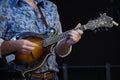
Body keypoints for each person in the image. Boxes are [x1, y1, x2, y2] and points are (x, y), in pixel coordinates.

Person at [0, 0, 83, 80]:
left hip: (52, 76)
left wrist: (67, 43)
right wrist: (13, 45)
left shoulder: (50, 7)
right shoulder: (4, 6)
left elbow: (58, 50)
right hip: (21, 77)